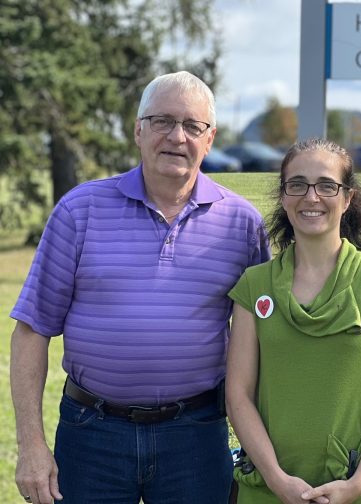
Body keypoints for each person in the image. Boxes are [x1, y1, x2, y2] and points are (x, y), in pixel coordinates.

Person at [10, 70, 271, 504]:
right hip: (92, 434)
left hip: (196, 436)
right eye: (162, 121)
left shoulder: (242, 224)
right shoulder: (80, 210)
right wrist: (31, 446)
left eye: (192, 126)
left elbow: (266, 338)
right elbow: (31, 331)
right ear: (138, 131)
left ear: (210, 139)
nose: (177, 136)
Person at [226, 138, 361, 504]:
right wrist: (277, 480)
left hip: (356, 490)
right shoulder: (254, 285)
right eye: (297, 184)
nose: (311, 197)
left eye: (327, 185)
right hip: (267, 491)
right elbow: (238, 396)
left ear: (348, 198)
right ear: (283, 196)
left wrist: (358, 483)